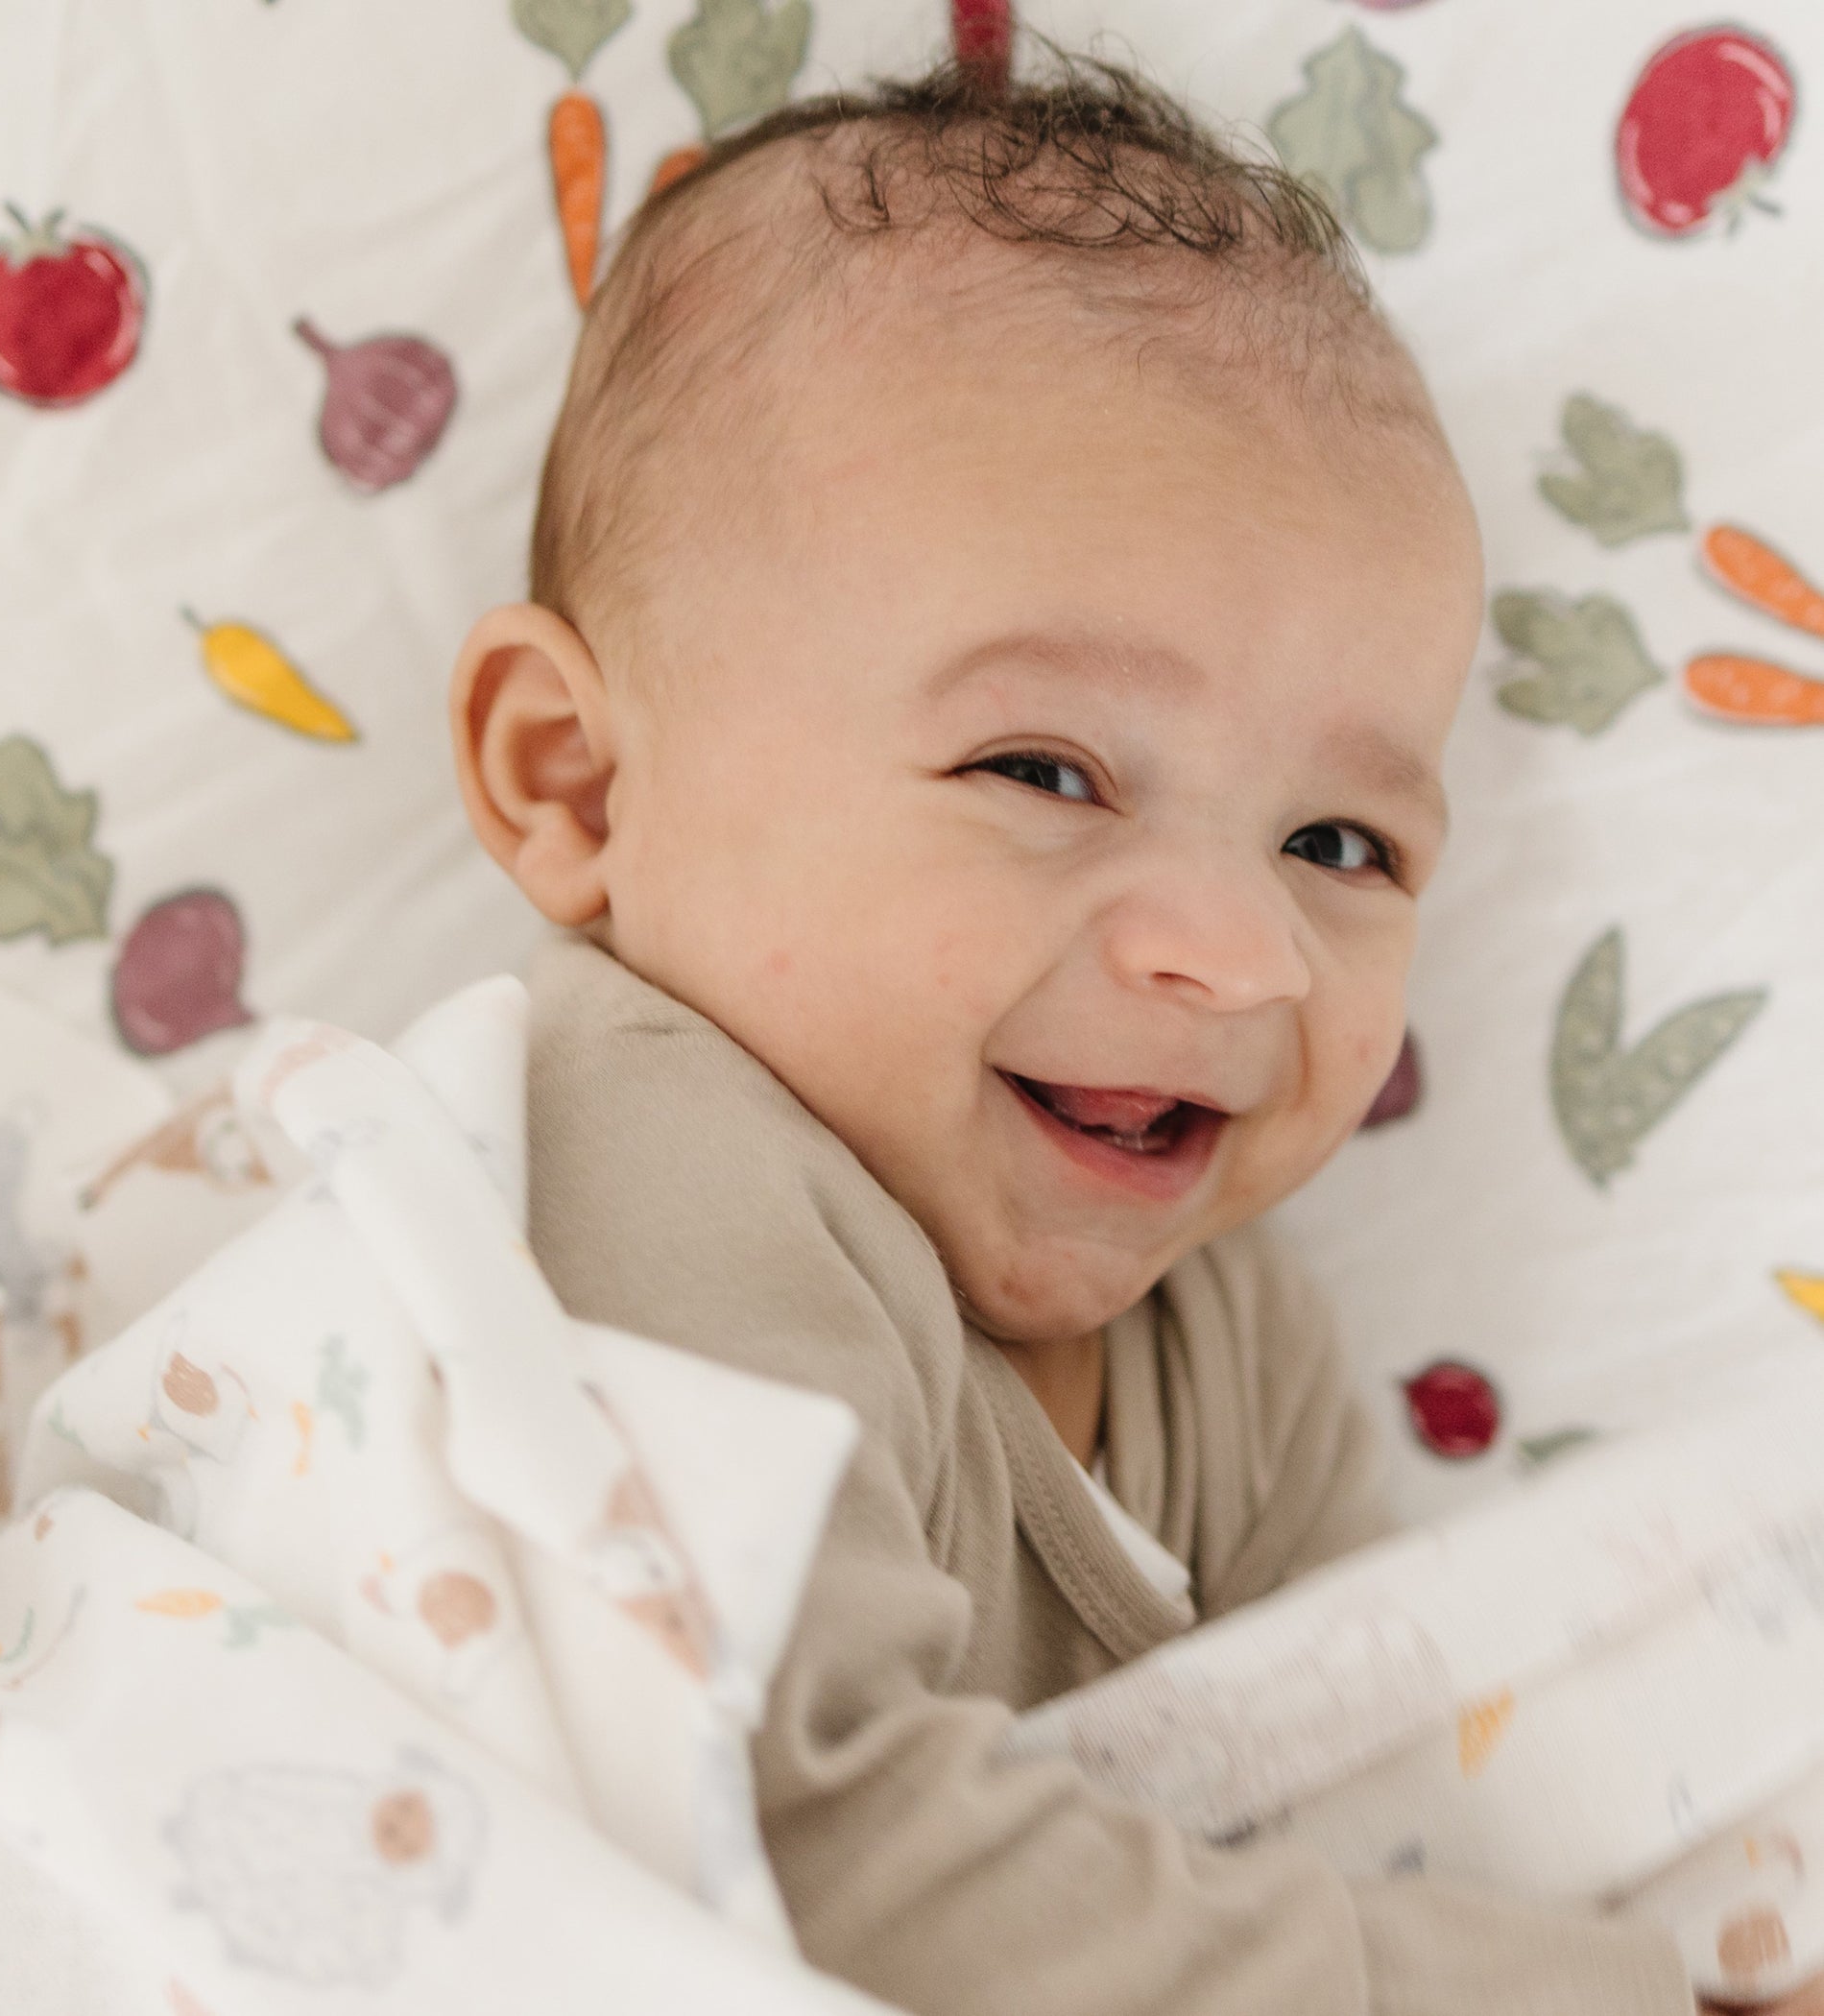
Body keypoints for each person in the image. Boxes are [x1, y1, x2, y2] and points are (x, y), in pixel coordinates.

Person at [449, 47, 1824, 2016]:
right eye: (1048, 768)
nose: (1238, 953)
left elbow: (1365, 1804)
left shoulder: (1229, 1344)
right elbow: (799, 1853)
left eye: (1338, 841)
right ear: (576, 782)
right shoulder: (650, 1156)